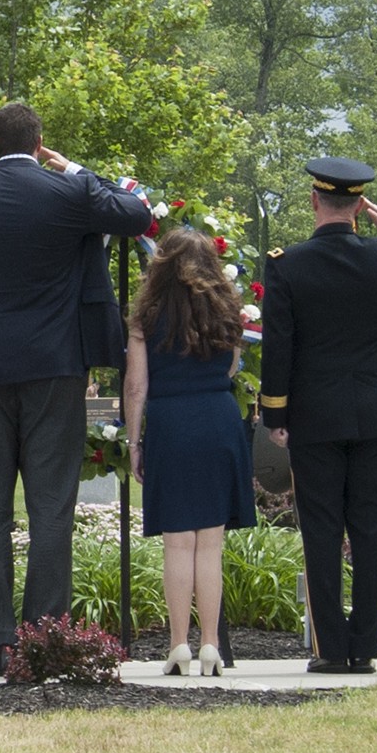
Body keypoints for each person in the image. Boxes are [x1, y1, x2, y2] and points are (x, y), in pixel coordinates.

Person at [0, 101, 153, 677]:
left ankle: (1, 642)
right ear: (40, 140)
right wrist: (75, 171)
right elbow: (135, 214)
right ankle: (42, 638)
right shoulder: (68, 192)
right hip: (55, 369)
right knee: (52, 510)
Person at [256, 157, 377, 675]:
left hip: (315, 415)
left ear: (314, 200)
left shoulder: (287, 262)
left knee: (320, 531)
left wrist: (275, 412)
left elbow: (279, 346)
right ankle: (365, 648)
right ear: (360, 206)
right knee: (371, 529)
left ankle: (331, 649)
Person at [123, 229, 256, 677]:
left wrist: (135, 441)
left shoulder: (146, 315)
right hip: (217, 419)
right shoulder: (228, 312)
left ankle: (178, 644)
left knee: (178, 544)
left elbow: (137, 386)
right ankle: (212, 647)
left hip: (170, 424)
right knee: (210, 545)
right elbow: (234, 365)